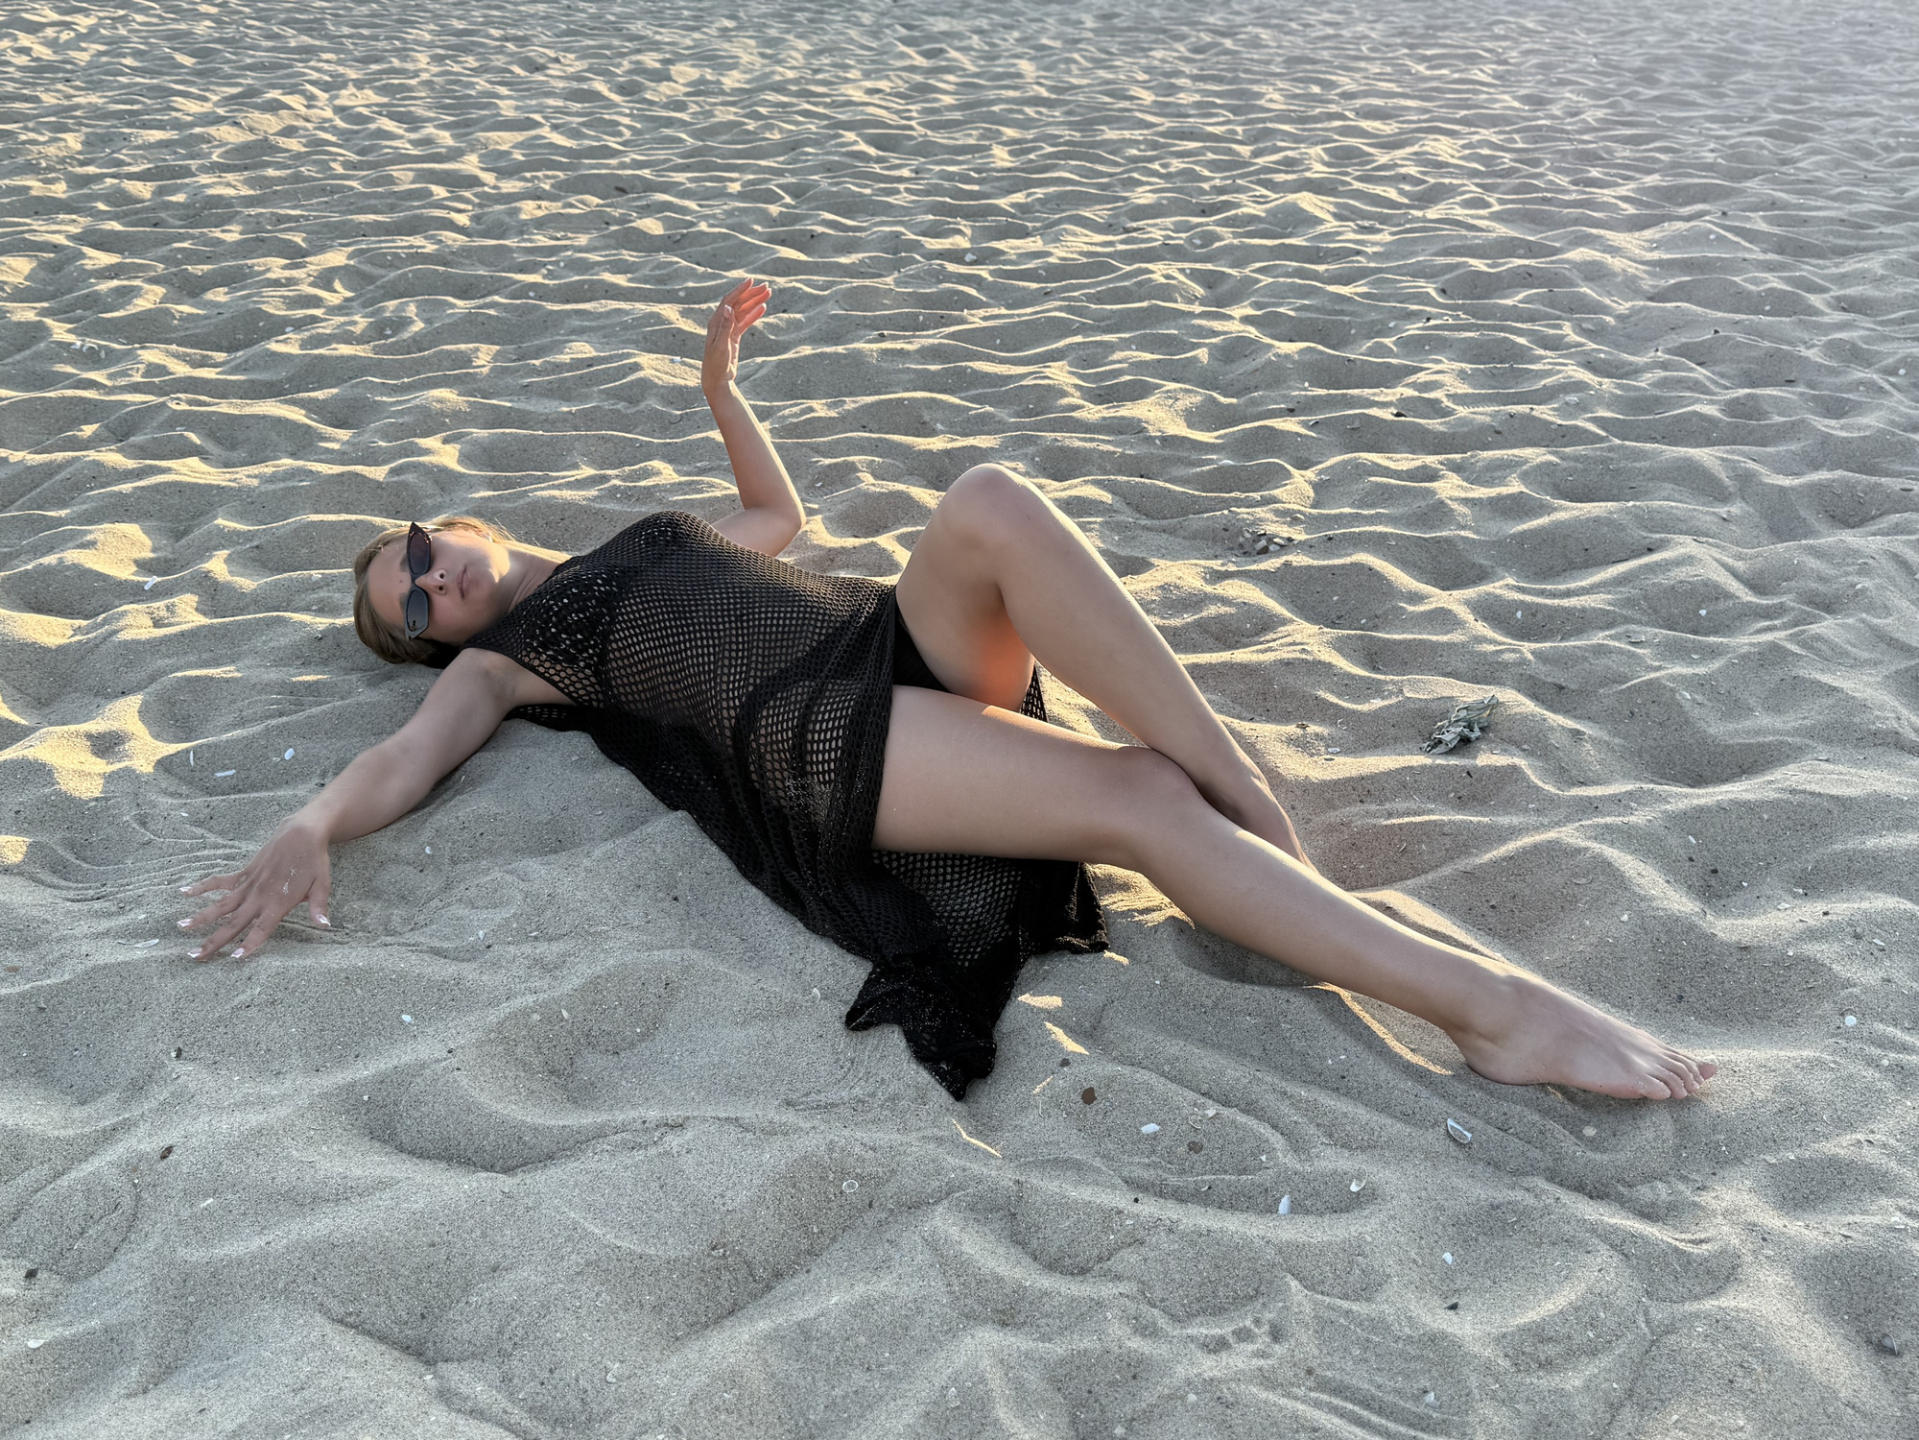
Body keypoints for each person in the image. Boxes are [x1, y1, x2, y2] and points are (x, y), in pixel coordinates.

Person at [180, 279, 1716, 1103]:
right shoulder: (513, 661)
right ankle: (1489, 1013)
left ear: (457, 522)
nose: (433, 581)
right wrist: (313, 826)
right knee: (1132, 798)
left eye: (421, 551)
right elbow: (403, 762)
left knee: (987, 500)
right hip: (818, 740)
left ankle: (1245, 796)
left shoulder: (621, 548)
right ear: (437, 643)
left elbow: (775, 521)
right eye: (411, 607)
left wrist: (721, 390)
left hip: (873, 646)